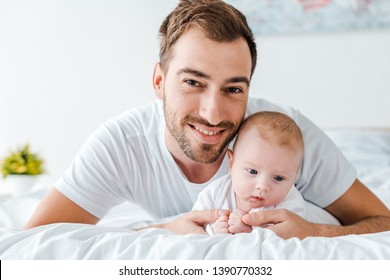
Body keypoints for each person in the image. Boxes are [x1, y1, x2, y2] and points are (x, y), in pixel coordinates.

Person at [25, 0, 390, 239]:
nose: (213, 114)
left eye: (233, 89)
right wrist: (163, 229)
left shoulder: (286, 136)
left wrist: (312, 232)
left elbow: (383, 223)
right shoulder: (123, 144)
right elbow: (32, 241)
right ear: (158, 82)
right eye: (192, 82)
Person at [192, 111, 307, 235]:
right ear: (231, 163)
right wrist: (214, 230)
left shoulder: (291, 204)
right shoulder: (215, 193)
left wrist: (249, 231)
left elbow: (289, 238)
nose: (262, 186)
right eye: (253, 171)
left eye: (278, 178)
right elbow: (195, 226)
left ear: (295, 175)